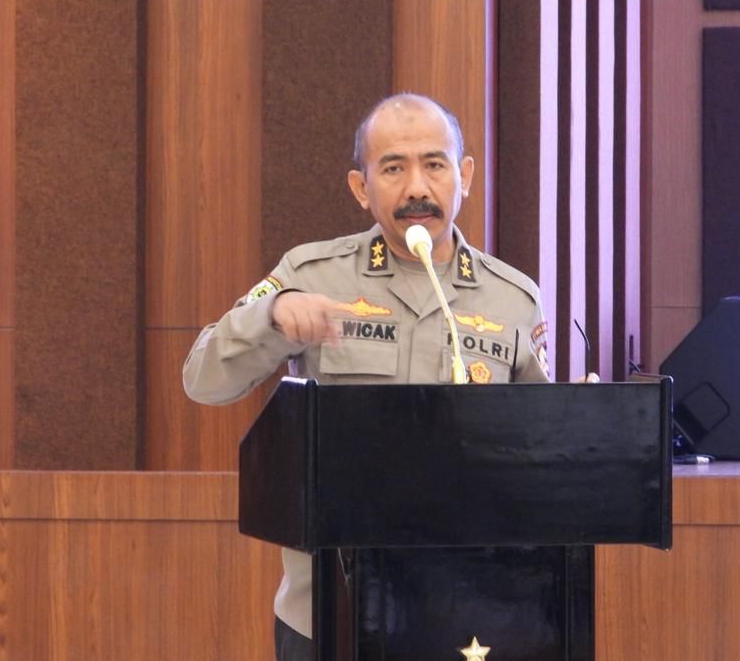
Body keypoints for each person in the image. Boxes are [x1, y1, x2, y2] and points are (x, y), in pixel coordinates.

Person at [182, 93, 551, 661]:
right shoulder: (312, 274)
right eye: (393, 168)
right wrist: (271, 315)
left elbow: (540, 453)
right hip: (331, 607)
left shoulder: (513, 299)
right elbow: (203, 380)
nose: (417, 189)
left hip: (467, 612)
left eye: (435, 164)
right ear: (361, 188)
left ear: (465, 176)